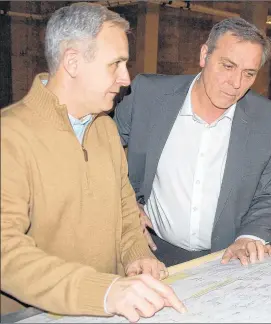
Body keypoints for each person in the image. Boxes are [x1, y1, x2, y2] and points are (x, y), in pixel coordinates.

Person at [0, 3, 186, 322]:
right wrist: (101, 291)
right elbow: (5, 250)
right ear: (72, 62)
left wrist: (136, 256)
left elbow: (127, 212)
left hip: (108, 306)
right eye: (115, 64)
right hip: (33, 314)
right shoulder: (10, 136)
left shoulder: (105, 129)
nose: (126, 78)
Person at [114, 17, 271, 267]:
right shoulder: (148, 95)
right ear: (204, 55)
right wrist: (123, 202)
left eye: (248, 74)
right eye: (228, 66)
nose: (236, 84)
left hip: (225, 259)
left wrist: (249, 236)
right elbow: (100, 148)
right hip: (149, 250)